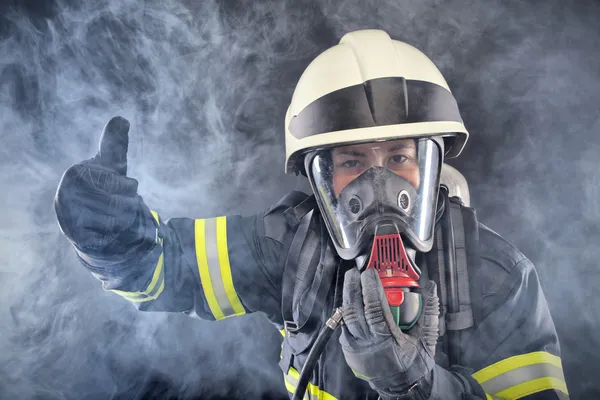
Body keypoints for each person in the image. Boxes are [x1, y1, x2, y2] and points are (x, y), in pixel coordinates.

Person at [54, 29, 569, 399]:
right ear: (319, 177)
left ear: (430, 165)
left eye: (398, 158)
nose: (379, 186)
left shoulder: (499, 281)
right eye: (352, 163)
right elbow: (164, 272)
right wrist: (112, 238)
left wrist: (415, 385)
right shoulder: (291, 249)